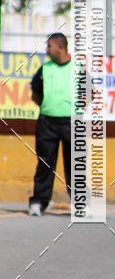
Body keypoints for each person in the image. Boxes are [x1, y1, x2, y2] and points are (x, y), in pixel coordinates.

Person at [28, 33, 72, 216]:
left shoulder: (78, 69)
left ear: (60, 47)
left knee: (75, 164)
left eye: (49, 46)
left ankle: (81, 204)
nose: (46, 50)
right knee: (45, 163)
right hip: (47, 122)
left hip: (72, 122)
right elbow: (36, 95)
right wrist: (50, 108)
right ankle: (38, 202)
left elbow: (89, 95)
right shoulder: (44, 69)